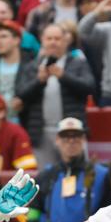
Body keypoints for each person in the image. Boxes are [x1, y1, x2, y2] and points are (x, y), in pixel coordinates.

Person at [29, 117, 111, 222]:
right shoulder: (46, 175)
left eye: (76, 136)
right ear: (57, 140)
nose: (71, 141)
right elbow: (33, 212)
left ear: (83, 139)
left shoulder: (101, 175)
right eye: (65, 137)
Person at [15, 23, 95, 169]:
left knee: (78, 174)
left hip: (71, 131)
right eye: (49, 38)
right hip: (41, 132)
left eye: (57, 39)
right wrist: (38, 81)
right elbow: (20, 94)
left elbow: (89, 87)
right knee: (44, 177)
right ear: (42, 41)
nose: (53, 42)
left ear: (66, 41)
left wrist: (64, 76)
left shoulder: (78, 63)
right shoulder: (32, 67)